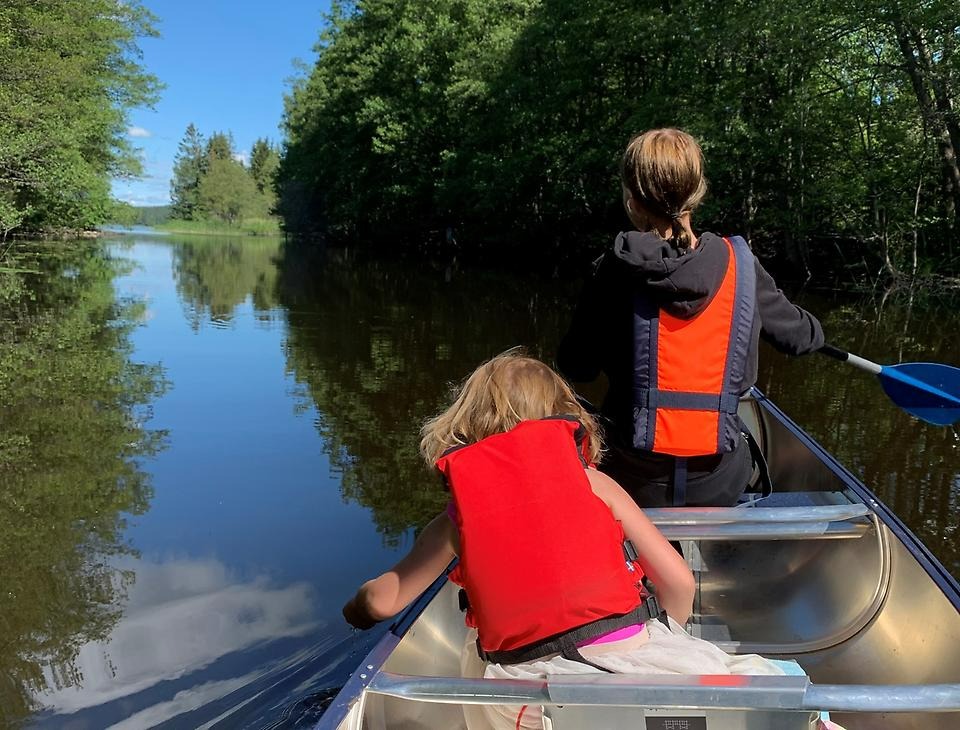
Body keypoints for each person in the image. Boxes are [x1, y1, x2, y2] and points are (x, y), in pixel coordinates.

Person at [342, 350, 795, 730]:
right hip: (637, 653)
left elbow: (383, 603)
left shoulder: (457, 517)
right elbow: (679, 586)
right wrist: (654, 638)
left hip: (526, 692)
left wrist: (355, 608)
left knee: (484, 681)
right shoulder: (596, 484)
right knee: (752, 685)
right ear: (566, 421)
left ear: (468, 427)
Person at [557, 128, 825, 507]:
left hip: (632, 476)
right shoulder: (741, 268)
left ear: (633, 201)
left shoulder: (610, 272)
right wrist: (814, 330)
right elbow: (801, 338)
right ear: (695, 196)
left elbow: (576, 366)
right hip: (717, 478)